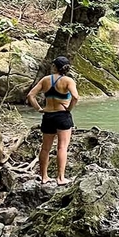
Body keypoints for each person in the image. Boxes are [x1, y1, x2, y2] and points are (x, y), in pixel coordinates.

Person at [26, 56, 79, 185]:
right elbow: (76, 97)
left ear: (55, 66)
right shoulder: (68, 80)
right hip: (62, 116)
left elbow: (30, 95)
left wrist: (39, 109)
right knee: (62, 147)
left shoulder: (45, 80)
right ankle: (60, 178)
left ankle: (44, 177)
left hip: (48, 115)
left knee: (45, 148)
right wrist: (69, 108)